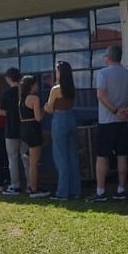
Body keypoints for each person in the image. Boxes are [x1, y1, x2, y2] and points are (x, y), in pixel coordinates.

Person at [88, 45, 128, 202]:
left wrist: (115, 110)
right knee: (122, 155)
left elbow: (101, 95)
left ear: (108, 57)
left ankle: (101, 191)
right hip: (123, 121)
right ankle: (121, 189)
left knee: (102, 156)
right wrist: (127, 109)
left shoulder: (102, 73)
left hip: (107, 120)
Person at [45, 61, 81, 201]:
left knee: (61, 157)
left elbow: (49, 108)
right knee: (73, 157)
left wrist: (45, 106)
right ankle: (75, 190)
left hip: (59, 119)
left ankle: (62, 192)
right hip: (71, 118)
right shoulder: (72, 88)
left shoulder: (55, 89)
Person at [19, 75, 49, 198]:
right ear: (31, 86)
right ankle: (33, 188)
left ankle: (28, 153)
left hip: (24, 128)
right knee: (34, 163)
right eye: (35, 84)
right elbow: (38, 117)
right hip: (33, 129)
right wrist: (45, 109)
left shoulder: (21, 99)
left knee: (46, 139)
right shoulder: (34, 98)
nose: (37, 86)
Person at [0, 67, 28, 195]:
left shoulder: (6, 93)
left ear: (8, 78)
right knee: (26, 158)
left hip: (11, 128)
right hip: (25, 128)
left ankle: (15, 185)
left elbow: (2, 112)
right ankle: (31, 183)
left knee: (13, 159)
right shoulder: (24, 92)